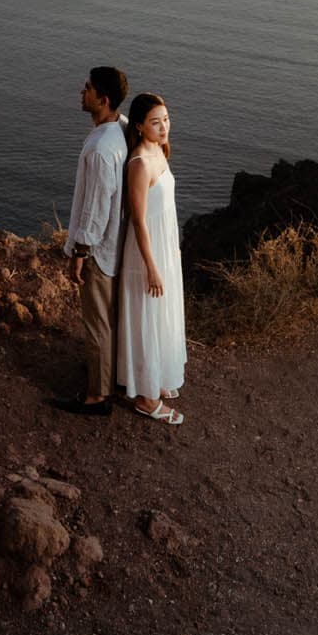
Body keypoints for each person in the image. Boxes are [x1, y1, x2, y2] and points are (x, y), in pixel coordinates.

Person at [57, 64, 129, 415]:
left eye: (87, 88)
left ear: (102, 99)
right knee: (109, 319)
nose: (80, 92)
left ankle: (98, 397)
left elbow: (97, 207)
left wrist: (80, 251)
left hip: (100, 251)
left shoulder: (102, 149)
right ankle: (108, 375)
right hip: (117, 246)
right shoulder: (121, 128)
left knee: (97, 322)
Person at [116, 92, 186, 423]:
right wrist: (152, 267)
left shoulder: (160, 150)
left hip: (165, 246)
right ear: (141, 126)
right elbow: (139, 220)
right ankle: (146, 397)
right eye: (155, 122)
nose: (163, 127)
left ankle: (156, 377)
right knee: (146, 315)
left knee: (161, 315)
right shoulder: (140, 163)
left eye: (166, 120)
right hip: (147, 251)